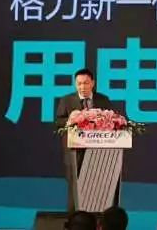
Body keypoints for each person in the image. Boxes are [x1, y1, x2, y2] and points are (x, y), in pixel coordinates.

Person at [56, 68, 113, 212]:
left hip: (98, 153)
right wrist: (71, 120)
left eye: (86, 83)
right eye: (79, 83)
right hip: (74, 152)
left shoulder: (103, 100)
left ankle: (97, 219)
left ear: (93, 83)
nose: (82, 87)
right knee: (75, 190)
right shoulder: (66, 100)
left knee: (96, 189)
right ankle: (74, 220)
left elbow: (111, 121)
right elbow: (58, 122)